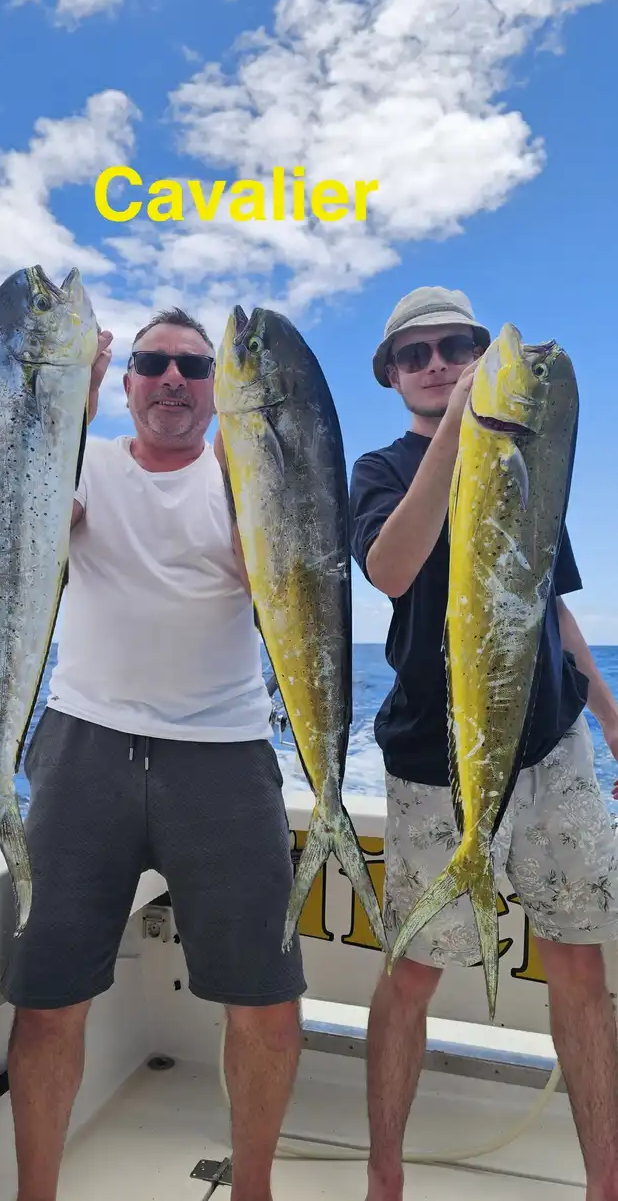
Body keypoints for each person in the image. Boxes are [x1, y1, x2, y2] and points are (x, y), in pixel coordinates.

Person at [0, 308, 306, 1201]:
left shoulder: (239, 474)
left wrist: (244, 465)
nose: (173, 379)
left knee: (265, 999)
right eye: (153, 362)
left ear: (219, 388)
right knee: (48, 998)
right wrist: (72, 406)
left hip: (224, 754)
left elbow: (275, 583)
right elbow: (27, 538)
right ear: (127, 378)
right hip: (83, 749)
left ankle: (253, 1190)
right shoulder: (85, 463)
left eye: (195, 367)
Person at [349, 286, 618, 1201]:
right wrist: (463, 436)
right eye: (414, 354)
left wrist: (610, 717)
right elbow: (391, 567)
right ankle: (384, 1175)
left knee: (580, 964)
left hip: (551, 747)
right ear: (392, 375)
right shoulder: (381, 469)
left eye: (454, 347)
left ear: (476, 354)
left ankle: (604, 1181)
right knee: (414, 972)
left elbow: (551, 601)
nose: (436, 365)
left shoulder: (526, 453)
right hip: (435, 762)